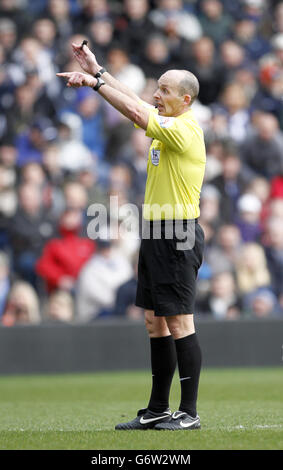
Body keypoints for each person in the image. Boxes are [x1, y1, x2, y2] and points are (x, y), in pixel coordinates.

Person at [57, 39, 206, 431]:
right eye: (157, 88)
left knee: (179, 322)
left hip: (179, 233)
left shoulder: (185, 131)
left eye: (165, 91)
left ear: (185, 100)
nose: (157, 95)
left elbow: (137, 109)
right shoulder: (170, 125)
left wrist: (93, 84)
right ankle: (158, 408)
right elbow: (136, 103)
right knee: (155, 321)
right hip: (157, 231)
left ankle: (188, 413)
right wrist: (98, 70)